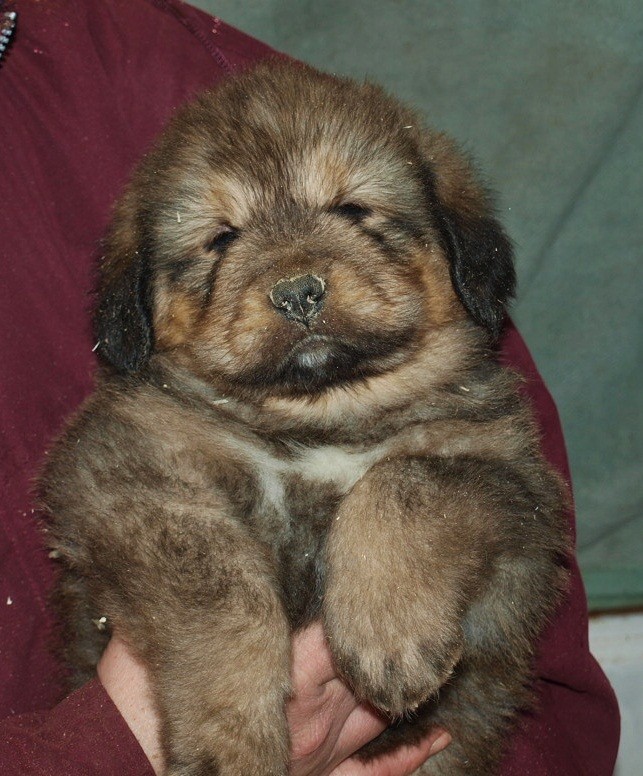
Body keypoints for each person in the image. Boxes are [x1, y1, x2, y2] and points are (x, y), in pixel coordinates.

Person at [0, 1, 619, 773]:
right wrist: (215, 678)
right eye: (220, 240)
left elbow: (524, 576)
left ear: (458, 249)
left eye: (354, 210)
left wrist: (413, 513)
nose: (295, 279)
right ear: (141, 311)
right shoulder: (158, 432)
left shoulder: (143, 48)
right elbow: (110, 492)